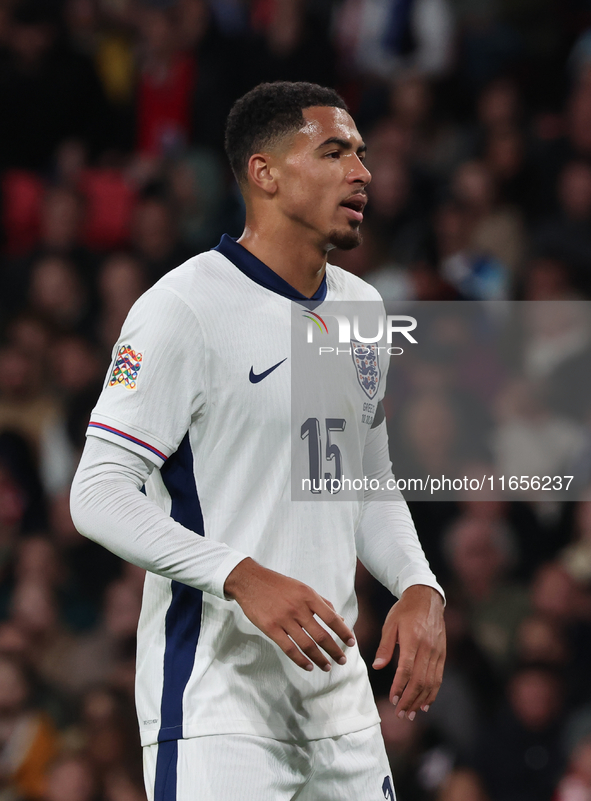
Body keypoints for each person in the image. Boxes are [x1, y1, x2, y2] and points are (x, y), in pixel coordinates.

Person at [70, 81, 445, 801]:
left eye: (361, 154)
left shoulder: (361, 309)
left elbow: (362, 482)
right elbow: (97, 492)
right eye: (333, 152)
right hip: (220, 705)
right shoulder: (182, 308)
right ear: (263, 173)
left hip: (340, 713)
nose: (360, 172)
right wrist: (239, 573)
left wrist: (419, 584)